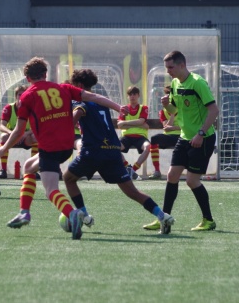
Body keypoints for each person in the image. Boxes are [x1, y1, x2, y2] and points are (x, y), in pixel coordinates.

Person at [0, 56, 129, 240]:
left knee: (51, 190)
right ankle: (24, 212)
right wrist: (118, 107)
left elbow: (18, 130)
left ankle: (72, 213)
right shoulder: (63, 88)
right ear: (45, 74)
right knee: (29, 167)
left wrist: (4, 148)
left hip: (50, 147)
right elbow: (93, 96)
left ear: (28, 78)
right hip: (66, 145)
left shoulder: (27, 96)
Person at [63, 68, 175, 233]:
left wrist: (66, 128)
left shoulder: (80, 101)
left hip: (93, 151)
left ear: (78, 85)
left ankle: (85, 216)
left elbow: (78, 112)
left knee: (68, 178)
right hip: (112, 151)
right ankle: (162, 216)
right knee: (132, 192)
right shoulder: (101, 102)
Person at [143, 50, 219, 233]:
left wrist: (200, 134)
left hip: (203, 138)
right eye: (166, 67)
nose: (168, 71)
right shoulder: (176, 83)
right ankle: (164, 217)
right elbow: (176, 111)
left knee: (192, 181)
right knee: (171, 176)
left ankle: (208, 220)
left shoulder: (198, 83)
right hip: (185, 137)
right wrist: (166, 105)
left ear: (182, 65)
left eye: (171, 67)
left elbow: (214, 110)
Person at [0, 85, 38, 179]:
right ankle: (3, 170)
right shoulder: (9, 108)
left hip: (25, 138)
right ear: (16, 96)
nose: (21, 96)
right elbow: (1, 125)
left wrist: (25, 134)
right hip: (12, 137)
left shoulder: (32, 108)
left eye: (24, 94)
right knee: (3, 136)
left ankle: (34, 170)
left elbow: (37, 126)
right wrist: (11, 133)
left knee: (36, 137)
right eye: (19, 94)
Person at [148, 85, 181, 180]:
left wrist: (173, 127)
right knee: (154, 139)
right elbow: (166, 127)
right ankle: (157, 171)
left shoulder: (183, 108)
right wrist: (172, 114)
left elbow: (187, 127)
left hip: (182, 136)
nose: (168, 99)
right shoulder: (163, 112)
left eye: (170, 96)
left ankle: (192, 171)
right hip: (169, 136)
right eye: (167, 96)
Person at [118, 86, 151, 180]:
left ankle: (133, 170)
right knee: (114, 147)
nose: (132, 96)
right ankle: (127, 167)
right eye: (130, 94)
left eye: (134, 94)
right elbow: (120, 125)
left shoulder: (143, 107)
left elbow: (141, 121)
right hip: (126, 137)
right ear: (128, 96)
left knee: (148, 147)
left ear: (138, 95)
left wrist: (125, 123)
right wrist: (138, 124)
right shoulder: (124, 109)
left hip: (140, 137)